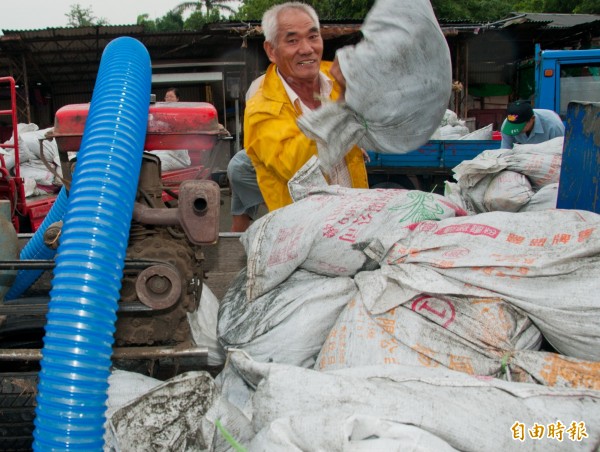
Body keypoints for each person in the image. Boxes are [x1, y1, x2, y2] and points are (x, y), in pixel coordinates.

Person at [242, 2, 369, 215]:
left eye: (313, 37)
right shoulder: (261, 109)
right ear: (271, 50)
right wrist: (341, 108)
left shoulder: (337, 77)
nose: (307, 49)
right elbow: (299, 168)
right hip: (304, 233)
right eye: (292, 40)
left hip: (354, 219)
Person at [500, 100, 565, 149]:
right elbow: (505, 151)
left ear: (532, 119)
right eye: (513, 126)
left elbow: (560, 151)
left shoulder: (553, 126)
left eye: (519, 126)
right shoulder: (507, 126)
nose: (514, 129)